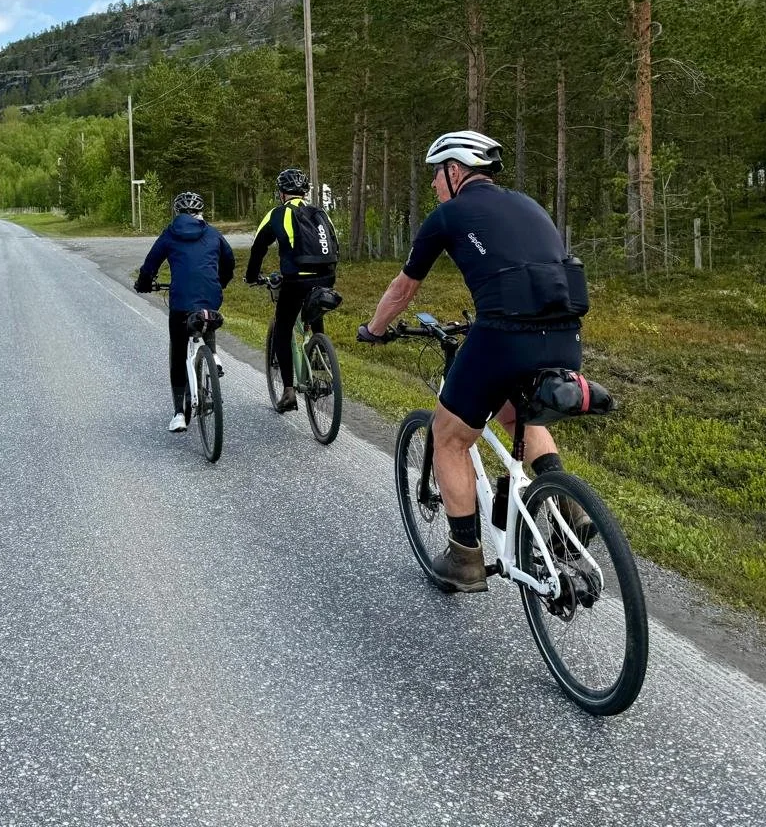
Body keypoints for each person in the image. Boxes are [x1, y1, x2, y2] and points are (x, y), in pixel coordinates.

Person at [356, 130, 590, 593]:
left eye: (435, 174)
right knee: (513, 411)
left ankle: (464, 557)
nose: (433, 184)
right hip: (566, 336)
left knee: (449, 436)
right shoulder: (528, 204)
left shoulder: (448, 215)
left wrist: (374, 329)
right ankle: (570, 509)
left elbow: (403, 289)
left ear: (455, 170)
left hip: (504, 336)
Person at [134, 191, 235, 432]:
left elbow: (150, 264)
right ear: (201, 212)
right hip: (211, 297)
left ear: (177, 212)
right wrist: (220, 282)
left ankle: (179, 413)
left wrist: (144, 283)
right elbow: (229, 261)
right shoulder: (213, 233)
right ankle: (213, 355)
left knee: (178, 352)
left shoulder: (170, 234)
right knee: (206, 317)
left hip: (181, 302)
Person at [245, 167, 336, 413]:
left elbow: (258, 248)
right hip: (327, 277)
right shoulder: (320, 213)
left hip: (295, 281)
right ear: (304, 192)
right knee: (315, 307)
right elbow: (333, 244)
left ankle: (288, 391)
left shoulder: (277, 214)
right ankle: (320, 352)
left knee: (283, 328)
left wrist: (251, 276)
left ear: (281, 193)